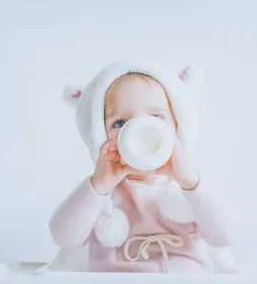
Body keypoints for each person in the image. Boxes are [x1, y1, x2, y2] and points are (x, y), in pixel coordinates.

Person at [49, 59, 236, 273]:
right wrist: (98, 185)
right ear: (100, 137)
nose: (139, 130)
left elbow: (225, 237)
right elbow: (63, 238)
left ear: (178, 128)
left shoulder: (188, 187)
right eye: (119, 123)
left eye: (156, 117)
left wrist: (190, 181)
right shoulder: (103, 191)